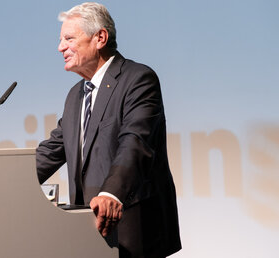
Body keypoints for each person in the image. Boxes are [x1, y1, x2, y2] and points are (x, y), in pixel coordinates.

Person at [36, 2, 181, 257]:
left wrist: (110, 193)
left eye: (69, 38)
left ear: (100, 38)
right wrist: (9, 180)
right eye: (60, 40)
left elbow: (135, 144)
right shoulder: (75, 95)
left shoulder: (138, 79)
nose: (60, 47)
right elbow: (52, 151)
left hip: (132, 231)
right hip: (87, 234)